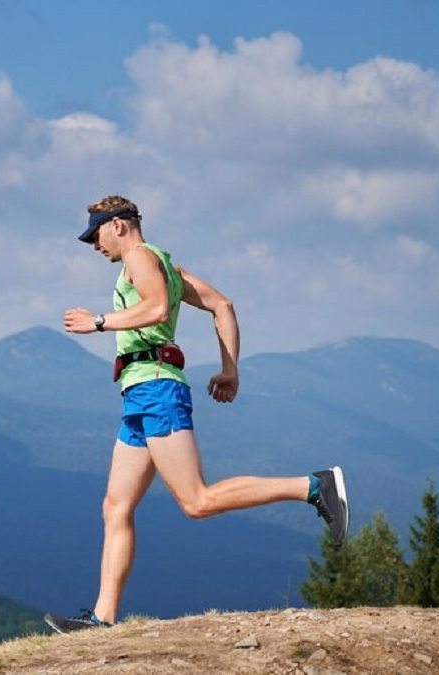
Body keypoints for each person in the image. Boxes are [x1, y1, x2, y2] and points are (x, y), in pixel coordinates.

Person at [44, 195, 349, 634]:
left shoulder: (141, 258)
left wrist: (98, 322)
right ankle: (101, 619)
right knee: (115, 507)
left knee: (196, 501)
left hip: (156, 390)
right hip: (139, 395)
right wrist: (230, 370)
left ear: (119, 225)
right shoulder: (167, 266)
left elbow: (157, 309)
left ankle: (314, 485)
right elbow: (223, 305)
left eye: (96, 234)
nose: (94, 245)